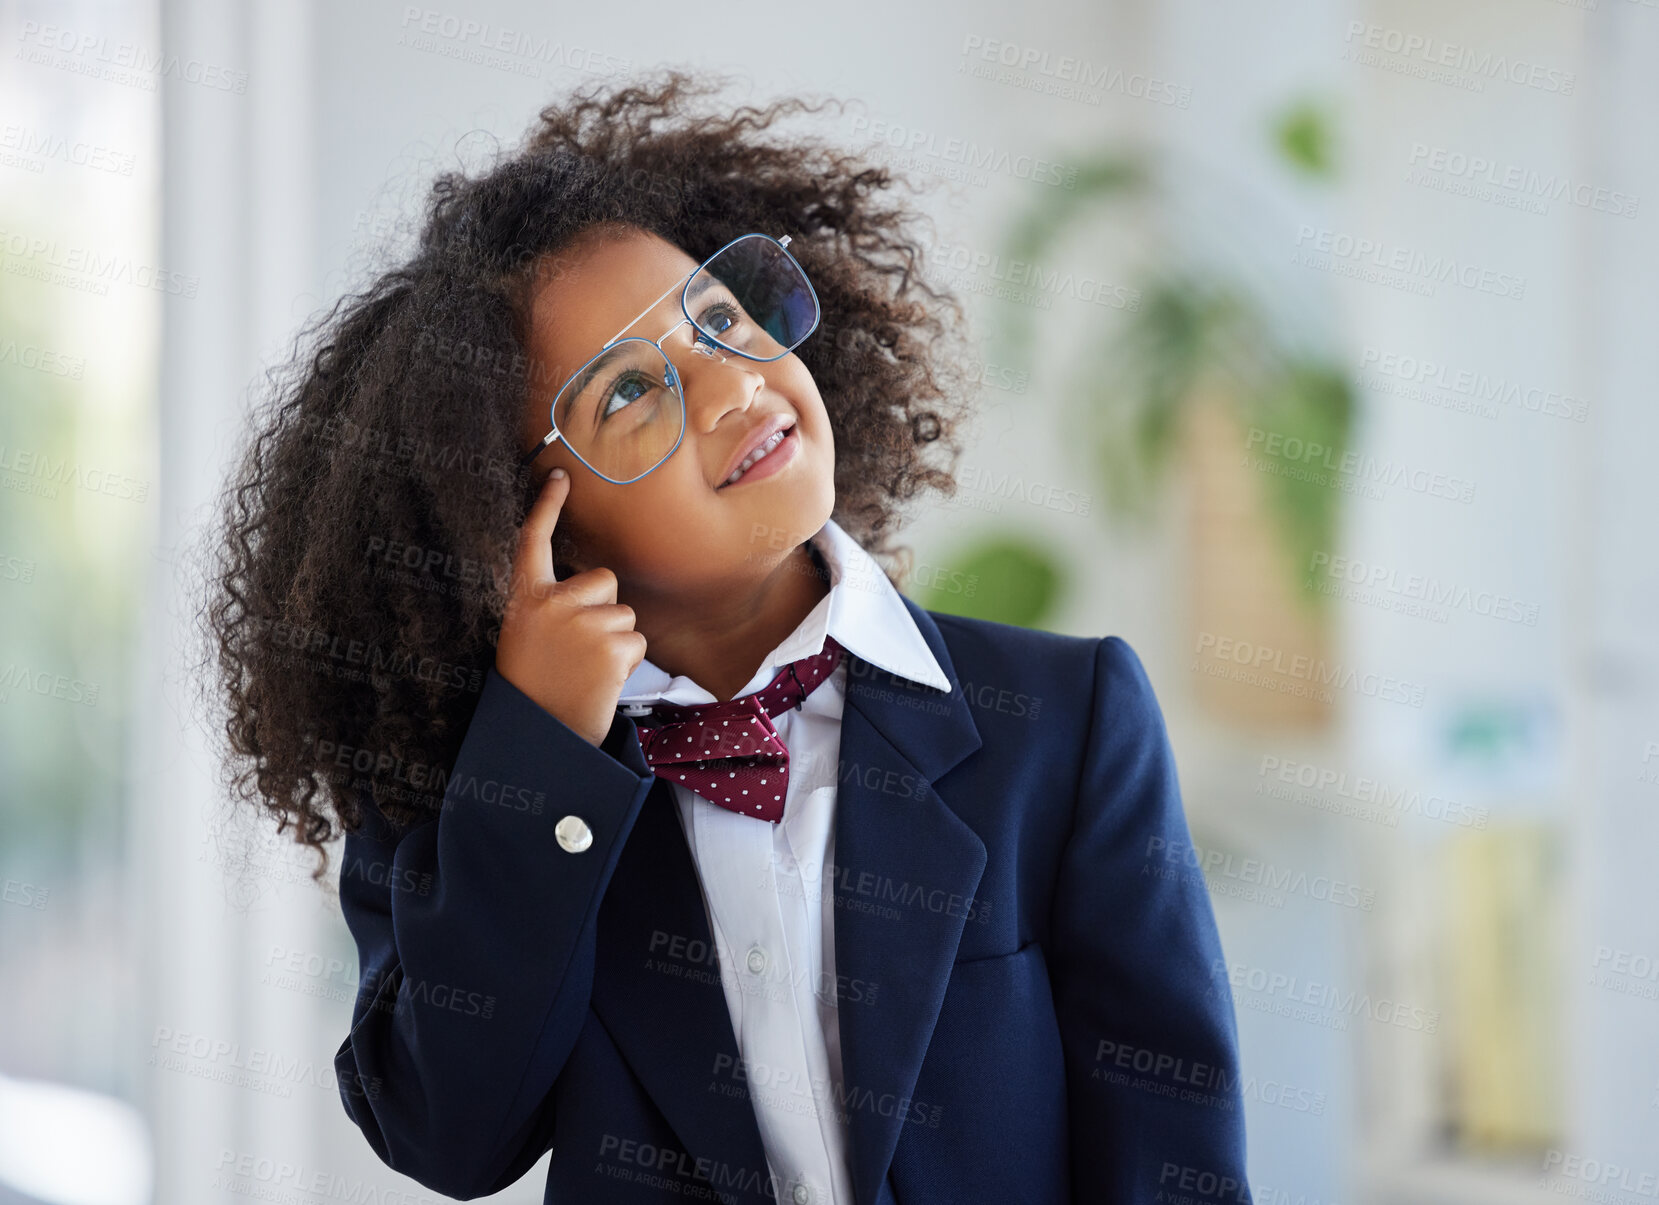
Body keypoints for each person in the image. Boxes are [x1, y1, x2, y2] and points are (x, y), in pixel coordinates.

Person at [201, 68, 1251, 1205]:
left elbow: (1175, 1157)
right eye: (631, 394)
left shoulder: (1067, 720)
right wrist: (542, 760)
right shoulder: (479, 795)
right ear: (516, 523)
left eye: (718, 317)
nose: (731, 387)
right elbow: (451, 1134)